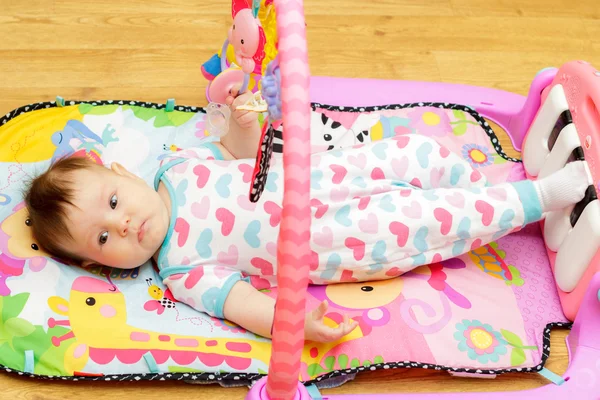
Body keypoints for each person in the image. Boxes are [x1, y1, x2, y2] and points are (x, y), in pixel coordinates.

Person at [24, 89, 590, 342]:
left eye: (114, 205)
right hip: (341, 239)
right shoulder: (184, 272)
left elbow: (243, 154)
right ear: (102, 266)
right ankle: (541, 199)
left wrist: (246, 121)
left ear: (124, 176)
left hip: (333, 171)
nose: (122, 226)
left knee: (415, 152)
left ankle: (478, 178)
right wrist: (295, 328)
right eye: (103, 237)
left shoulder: (176, 167)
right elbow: (248, 306)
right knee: (432, 220)